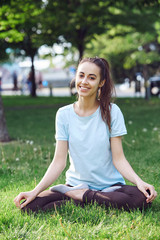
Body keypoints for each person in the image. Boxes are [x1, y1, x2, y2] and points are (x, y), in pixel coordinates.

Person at [14, 57, 157, 213]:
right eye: (81, 75)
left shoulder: (112, 111)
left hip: (111, 188)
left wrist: (139, 182)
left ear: (101, 82)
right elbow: (58, 162)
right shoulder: (63, 114)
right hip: (75, 185)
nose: (84, 81)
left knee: (140, 199)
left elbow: (119, 158)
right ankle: (85, 196)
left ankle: (82, 197)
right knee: (29, 207)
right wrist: (34, 191)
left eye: (92, 77)